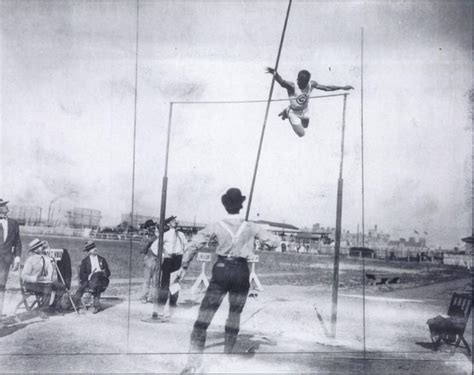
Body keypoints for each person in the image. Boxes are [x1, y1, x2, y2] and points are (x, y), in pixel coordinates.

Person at [178, 188, 280, 373]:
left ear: (225, 205)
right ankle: (226, 358)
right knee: (234, 316)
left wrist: (184, 266)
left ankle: (192, 365)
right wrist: (253, 239)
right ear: (241, 205)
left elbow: (193, 244)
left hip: (222, 271)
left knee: (203, 318)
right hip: (241, 272)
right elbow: (274, 242)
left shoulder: (216, 225)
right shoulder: (251, 226)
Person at [265, 67, 354, 137]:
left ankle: (287, 110)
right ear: (297, 79)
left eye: (304, 83)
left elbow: (327, 88)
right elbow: (282, 82)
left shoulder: (311, 84)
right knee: (302, 134)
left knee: (305, 126)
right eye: (300, 82)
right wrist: (275, 73)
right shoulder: (292, 86)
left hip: (304, 110)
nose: (301, 84)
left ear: (307, 81)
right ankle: (287, 112)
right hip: (294, 112)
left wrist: (342, 87)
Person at [21, 239, 66, 316]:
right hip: (31, 284)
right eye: (39, 246)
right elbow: (24, 276)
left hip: (44, 282)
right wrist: (36, 278)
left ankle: (54, 307)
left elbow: (50, 273)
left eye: (41, 245)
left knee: (61, 287)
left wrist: (52, 265)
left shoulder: (46, 258)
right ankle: (43, 310)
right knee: (47, 287)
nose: (42, 247)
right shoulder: (30, 260)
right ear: (35, 250)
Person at [156, 215, 186, 320]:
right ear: (168, 223)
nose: (175, 222)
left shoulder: (181, 235)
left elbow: (185, 247)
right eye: (173, 221)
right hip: (168, 260)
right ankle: (160, 309)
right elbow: (156, 248)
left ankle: (172, 309)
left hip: (178, 259)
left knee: (175, 285)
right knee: (164, 285)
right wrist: (164, 255)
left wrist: (183, 261)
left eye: (176, 221)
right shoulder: (164, 235)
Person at [0, 199, 22, 327]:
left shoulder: (14, 224)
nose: (6, 207)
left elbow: (18, 242)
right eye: (3, 206)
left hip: (5, 262)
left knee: (1, 288)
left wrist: (17, 258)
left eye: (5, 205)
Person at [73, 241, 111, 314]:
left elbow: (108, 273)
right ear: (88, 251)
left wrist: (104, 272)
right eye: (92, 248)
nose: (95, 249)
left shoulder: (102, 259)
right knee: (96, 282)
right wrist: (89, 276)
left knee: (97, 274)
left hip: (102, 279)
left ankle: (91, 290)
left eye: (95, 247)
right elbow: (82, 275)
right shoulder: (85, 261)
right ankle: (95, 305)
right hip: (90, 280)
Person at [139, 219, 159, 303]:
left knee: (156, 281)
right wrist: (148, 242)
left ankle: (153, 297)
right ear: (147, 228)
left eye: (154, 227)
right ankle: (144, 297)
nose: (153, 228)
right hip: (149, 259)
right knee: (147, 280)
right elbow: (142, 250)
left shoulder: (158, 237)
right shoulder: (145, 238)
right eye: (151, 227)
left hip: (157, 259)